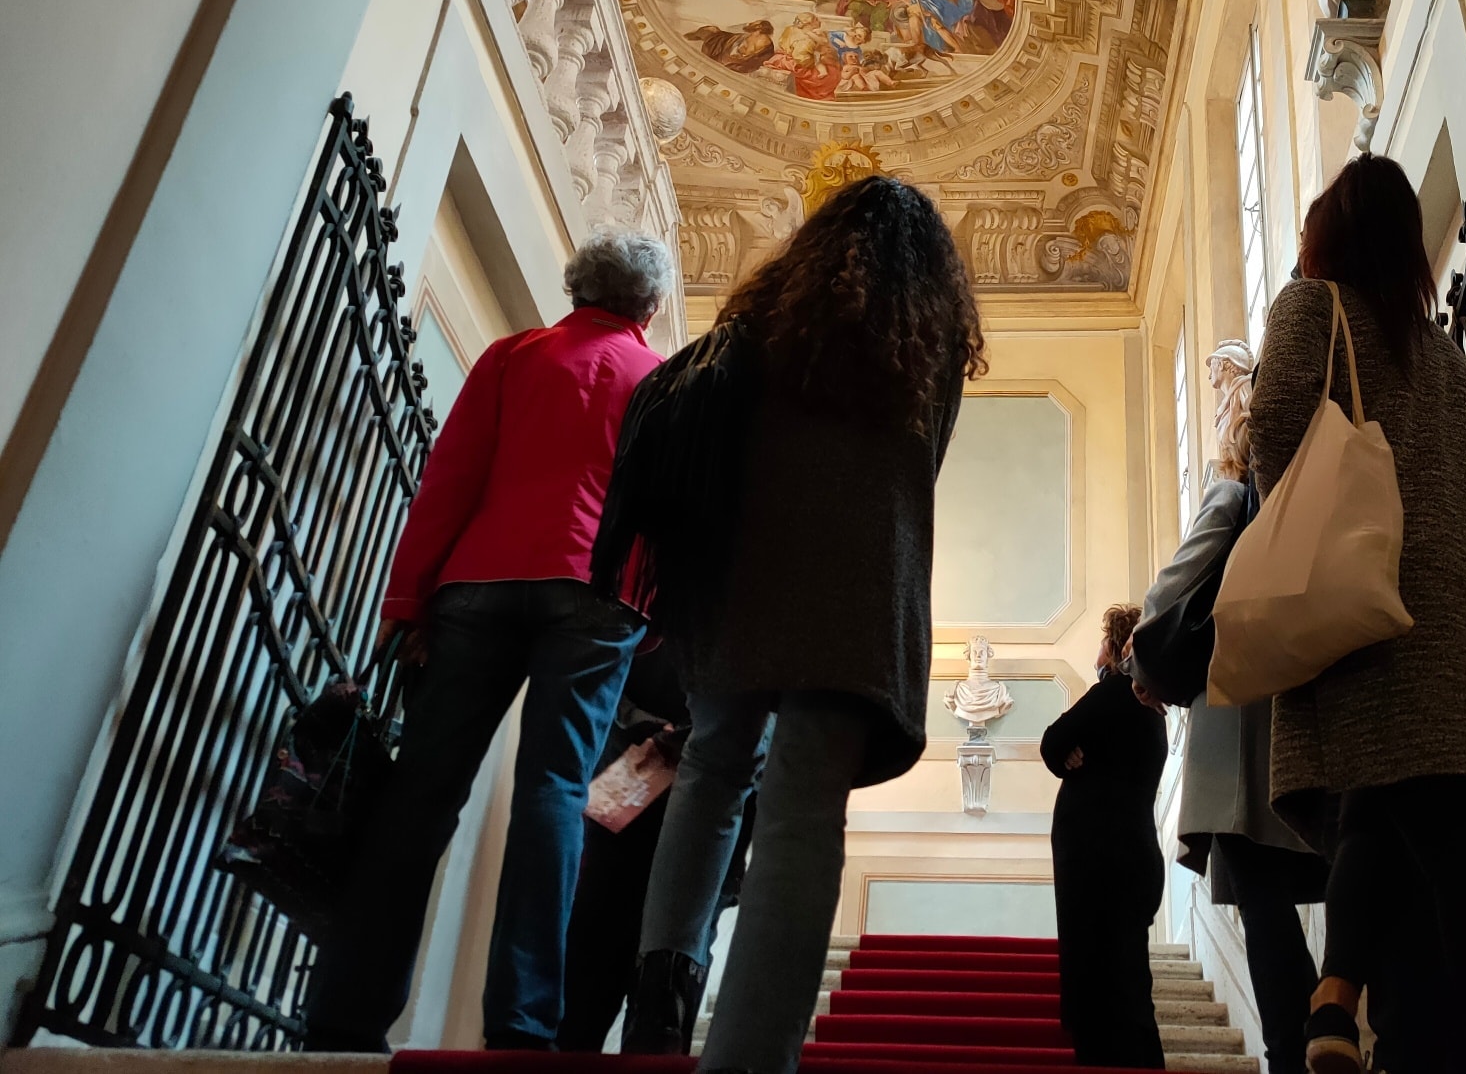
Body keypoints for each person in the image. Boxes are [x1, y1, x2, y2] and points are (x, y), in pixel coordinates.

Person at [623, 175, 985, 1069]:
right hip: (858, 591)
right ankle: (750, 1051)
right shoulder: (928, 350)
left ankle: (658, 1012)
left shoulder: (765, 322)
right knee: (800, 810)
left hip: (743, 575)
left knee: (710, 774)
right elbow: (926, 465)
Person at [1246, 155, 1466, 1074]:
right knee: (1426, 864)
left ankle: (1363, 1011)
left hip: (1381, 636)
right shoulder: (1452, 361)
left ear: (1326, 240)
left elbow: (1275, 432)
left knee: (1463, 892)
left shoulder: (1313, 308)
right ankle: (1344, 1003)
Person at [303, 228, 672, 1052]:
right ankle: (522, 1026)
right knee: (554, 794)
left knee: (420, 794)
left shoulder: (515, 355)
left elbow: (453, 475)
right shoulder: (660, 382)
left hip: (480, 580)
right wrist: (643, 613)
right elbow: (667, 514)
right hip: (595, 593)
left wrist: (409, 599)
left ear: (576, 286)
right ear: (648, 308)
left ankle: (346, 1016)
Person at [1130, 341, 1328, 1074]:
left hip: (1240, 736)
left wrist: (1143, 660)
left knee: (1269, 918)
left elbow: (1166, 600)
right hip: (1312, 720)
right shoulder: (1307, 498)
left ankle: (1295, 1056)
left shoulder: (1233, 492)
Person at [556, 647, 757, 1052]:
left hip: (712, 781)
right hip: (637, 767)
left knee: (676, 958)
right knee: (599, 935)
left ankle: (648, 1049)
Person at [1040, 605, 1169, 1070]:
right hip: (1130, 862)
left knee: (1103, 993)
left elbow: (1052, 739)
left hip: (1099, 868)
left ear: (1115, 648)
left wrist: (1066, 751)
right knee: (1129, 989)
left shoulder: (1114, 691)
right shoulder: (1153, 712)